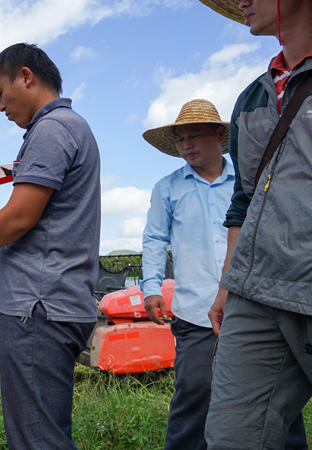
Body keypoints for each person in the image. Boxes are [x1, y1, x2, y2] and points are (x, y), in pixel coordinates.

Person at [0, 43, 100, 449]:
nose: (1, 107)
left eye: (1, 93)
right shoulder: (69, 127)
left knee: (36, 438)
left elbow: (22, 213)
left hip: (37, 305)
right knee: (47, 429)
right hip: (58, 301)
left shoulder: (52, 129)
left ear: (27, 77)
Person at [186, 0, 312, 447]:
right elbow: (244, 199)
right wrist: (227, 284)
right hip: (256, 293)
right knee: (234, 436)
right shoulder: (253, 98)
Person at [141, 99, 235, 449]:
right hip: (196, 311)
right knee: (194, 390)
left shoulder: (247, 179)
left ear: (219, 135)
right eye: (180, 140)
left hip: (250, 305)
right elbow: (154, 239)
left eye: (195, 136)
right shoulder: (168, 187)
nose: (187, 146)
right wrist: (151, 288)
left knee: (270, 392)